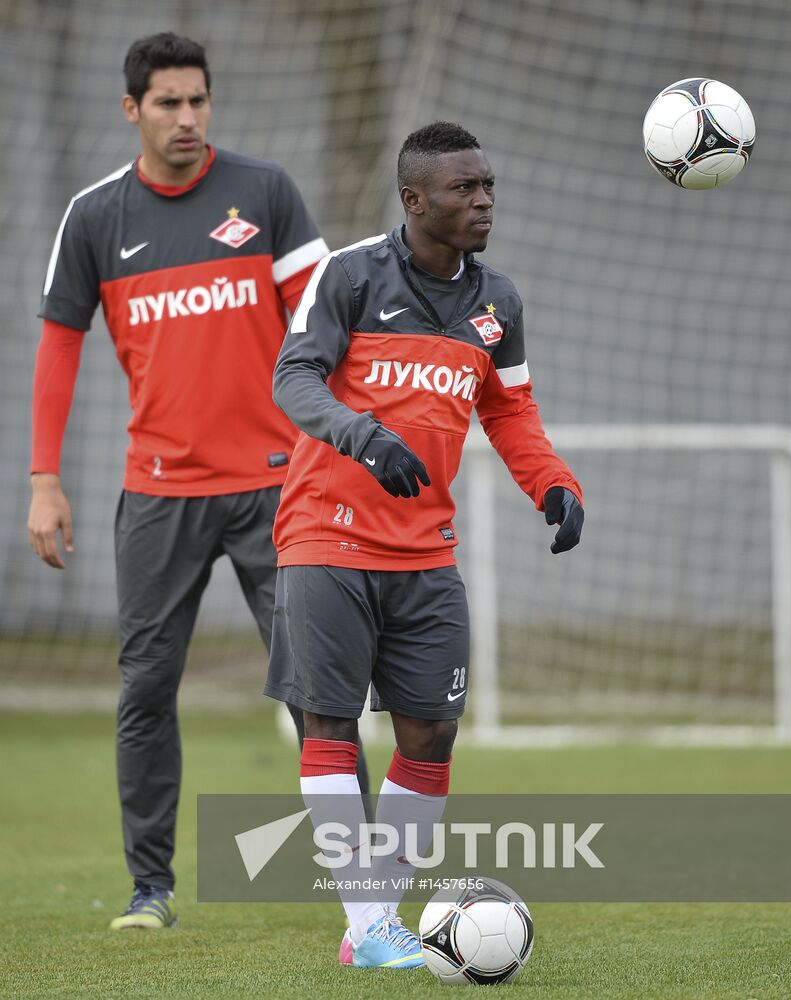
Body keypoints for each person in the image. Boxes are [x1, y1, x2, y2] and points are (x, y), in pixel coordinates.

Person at [27, 31, 371, 930]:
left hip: (277, 492)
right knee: (145, 688)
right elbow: (59, 347)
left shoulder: (265, 195)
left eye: (198, 100)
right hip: (158, 495)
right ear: (132, 109)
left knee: (317, 691)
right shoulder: (95, 217)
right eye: (168, 102)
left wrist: (346, 438)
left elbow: (330, 319)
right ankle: (151, 891)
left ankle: (364, 893)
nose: (187, 117)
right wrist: (42, 479)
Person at [266, 121, 584, 968]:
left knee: (430, 736)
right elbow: (293, 377)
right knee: (328, 725)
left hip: (424, 553)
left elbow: (509, 411)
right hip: (324, 537)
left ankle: (372, 922)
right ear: (414, 200)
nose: (481, 201)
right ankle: (371, 926)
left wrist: (554, 484)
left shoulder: (496, 303)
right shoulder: (350, 276)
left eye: (486, 187)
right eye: (461, 189)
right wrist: (361, 436)